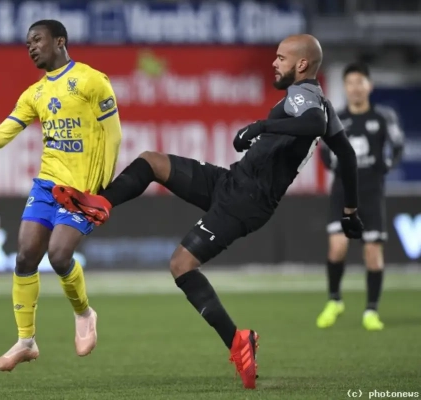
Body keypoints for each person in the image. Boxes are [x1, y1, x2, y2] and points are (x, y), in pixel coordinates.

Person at [51, 34, 364, 390]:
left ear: (302, 64)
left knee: (181, 264)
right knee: (152, 162)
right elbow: (347, 154)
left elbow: (313, 125)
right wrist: (350, 211)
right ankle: (101, 205)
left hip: (246, 200)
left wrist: (262, 126)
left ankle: (238, 342)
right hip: (232, 182)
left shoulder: (303, 95)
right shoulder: (322, 102)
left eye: (281, 58)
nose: (274, 63)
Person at [0, 20, 122, 371]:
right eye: (27, 42)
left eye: (37, 40)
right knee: (26, 256)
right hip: (47, 186)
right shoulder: (35, 94)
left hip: (81, 189)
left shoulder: (92, 80)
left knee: (59, 255)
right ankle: (26, 341)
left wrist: (101, 188)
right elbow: (3, 134)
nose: (31, 47)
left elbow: (114, 135)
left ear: (59, 41)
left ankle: (84, 313)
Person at [316, 63, 404, 331]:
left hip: (371, 192)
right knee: (337, 247)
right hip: (343, 192)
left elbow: (398, 144)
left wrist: (387, 164)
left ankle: (371, 311)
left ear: (369, 86)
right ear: (345, 87)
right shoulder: (336, 119)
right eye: (350, 83)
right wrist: (336, 167)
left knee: (373, 252)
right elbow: (323, 150)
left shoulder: (383, 117)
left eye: (360, 82)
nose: (355, 88)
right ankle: (334, 300)